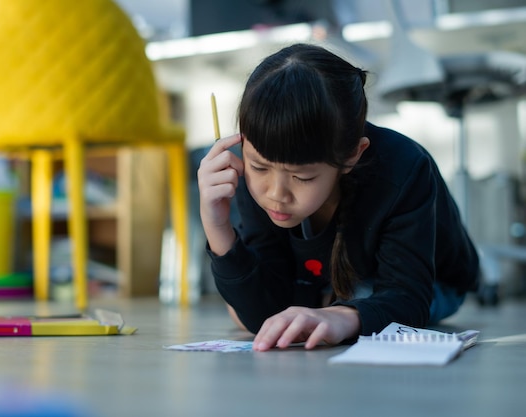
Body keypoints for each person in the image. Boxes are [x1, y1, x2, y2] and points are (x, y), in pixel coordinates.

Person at [197, 43, 479, 351]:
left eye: (302, 177)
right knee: (253, 308)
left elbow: (408, 298)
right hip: (323, 276)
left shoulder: (404, 167)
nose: (276, 194)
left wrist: (342, 316)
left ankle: (327, 299)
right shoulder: (250, 173)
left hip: (430, 283)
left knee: (349, 296)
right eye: (258, 166)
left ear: (351, 156)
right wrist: (217, 225)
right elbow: (260, 315)